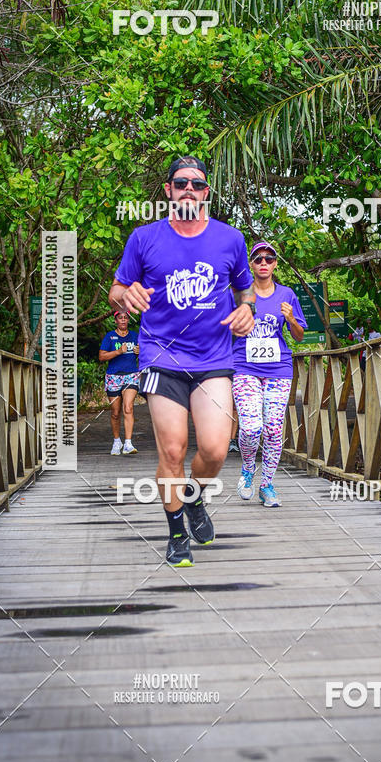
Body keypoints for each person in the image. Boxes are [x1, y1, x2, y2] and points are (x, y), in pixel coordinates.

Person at [107, 155, 255, 566]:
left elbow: (246, 290)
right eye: (181, 182)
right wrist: (126, 295)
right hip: (161, 356)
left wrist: (248, 310)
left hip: (213, 357)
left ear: (206, 193)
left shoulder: (231, 239)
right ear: (168, 191)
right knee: (172, 450)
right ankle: (176, 534)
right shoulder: (144, 238)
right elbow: (116, 291)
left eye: (197, 183)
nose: (189, 188)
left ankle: (193, 499)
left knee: (215, 447)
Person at [232, 241, 307, 507]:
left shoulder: (287, 295)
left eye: (269, 259)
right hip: (245, 367)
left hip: (278, 369)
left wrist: (292, 320)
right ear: (251, 265)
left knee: (274, 430)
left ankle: (267, 486)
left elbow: (298, 337)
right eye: (258, 259)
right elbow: (223, 330)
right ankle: (248, 468)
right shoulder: (240, 294)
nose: (263, 262)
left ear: (275, 264)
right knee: (252, 427)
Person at [98, 311, 140, 455]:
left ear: (128, 320)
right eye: (120, 318)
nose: (123, 320)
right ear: (115, 320)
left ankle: (128, 443)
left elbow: (147, 353)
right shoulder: (109, 336)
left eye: (125, 318)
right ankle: (117, 441)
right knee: (115, 413)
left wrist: (140, 352)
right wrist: (118, 351)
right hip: (113, 376)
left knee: (128, 407)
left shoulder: (135, 336)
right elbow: (102, 356)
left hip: (131, 375)